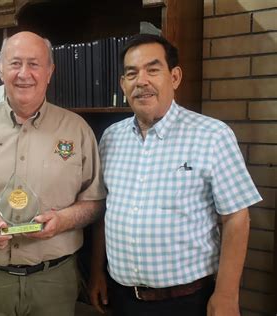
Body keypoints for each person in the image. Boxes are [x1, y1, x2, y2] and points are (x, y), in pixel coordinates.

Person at [89, 33, 262, 316]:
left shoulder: (212, 136)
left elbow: (236, 218)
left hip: (187, 302)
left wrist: (227, 294)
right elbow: (105, 213)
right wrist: (97, 272)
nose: (141, 81)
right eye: (131, 73)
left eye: (153, 69)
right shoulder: (110, 138)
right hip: (122, 299)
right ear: (123, 85)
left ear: (175, 77)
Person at [0, 31, 106, 316]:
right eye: (15, 63)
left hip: (55, 280)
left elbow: (95, 201)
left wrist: (63, 221)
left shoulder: (77, 130)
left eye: (34, 64)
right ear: (0, 69)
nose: (24, 73)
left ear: (50, 71)